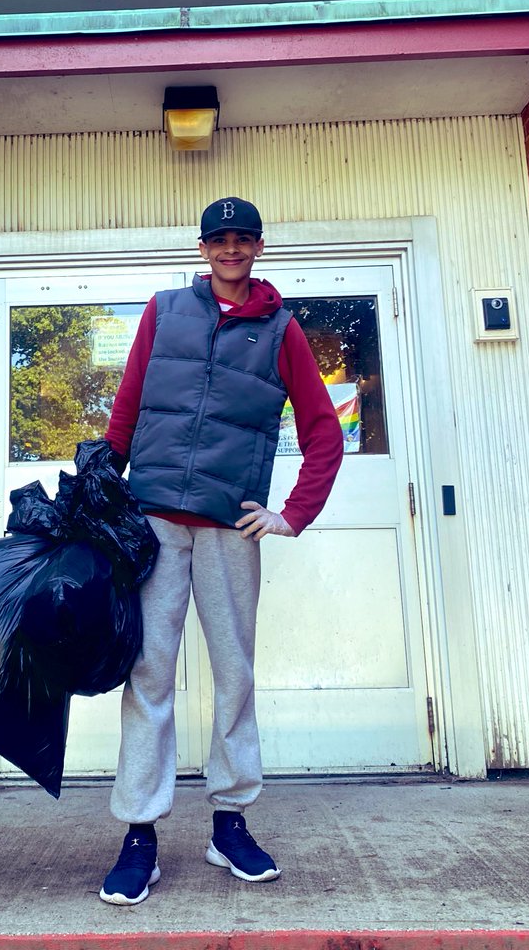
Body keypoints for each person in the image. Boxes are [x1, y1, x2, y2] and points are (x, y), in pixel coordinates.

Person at [98, 196, 345, 906]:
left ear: (259, 247)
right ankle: (140, 831)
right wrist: (100, 489)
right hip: (154, 522)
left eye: (242, 240)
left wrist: (292, 514)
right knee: (149, 672)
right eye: (219, 240)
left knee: (234, 670)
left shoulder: (282, 329)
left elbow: (323, 430)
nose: (230, 250)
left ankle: (229, 821)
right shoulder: (165, 310)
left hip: (229, 526)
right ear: (203, 248)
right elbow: (127, 409)